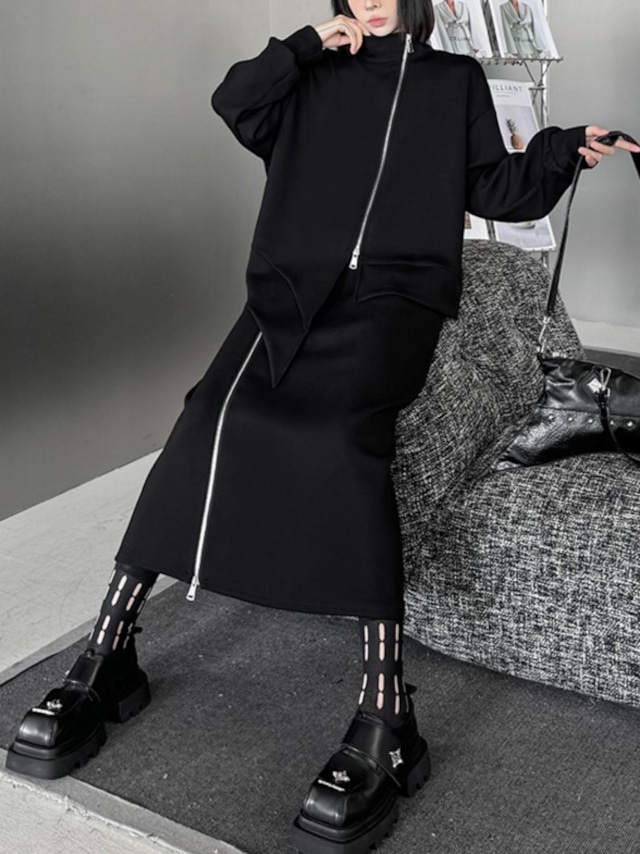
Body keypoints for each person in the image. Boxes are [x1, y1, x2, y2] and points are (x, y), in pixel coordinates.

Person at [6, 1, 639, 852]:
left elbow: (493, 186)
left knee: (341, 440)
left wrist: (562, 149)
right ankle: (108, 652)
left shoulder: (454, 81)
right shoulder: (311, 72)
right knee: (209, 416)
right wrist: (303, 48)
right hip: (289, 289)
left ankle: (387, 712)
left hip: (396, 301)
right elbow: (235, 101)